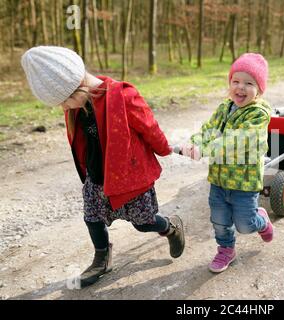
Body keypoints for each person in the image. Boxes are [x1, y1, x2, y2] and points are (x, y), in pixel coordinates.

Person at [21, 46, 185, 288]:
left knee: (144, 222)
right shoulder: (77, 106)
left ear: (79, 87)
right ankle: (101, 259)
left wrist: (164, 148)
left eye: (64, 101)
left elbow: (149, 126)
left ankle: (171, 227)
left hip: (130, 177)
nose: (64, 109)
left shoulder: (123, 96)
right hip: (96, 177)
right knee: (92, 218)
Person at [181, 53, 273, 273]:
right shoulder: (224, 108)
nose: (240, 88)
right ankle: (226, 250)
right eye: (236, 81)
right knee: (220, 221)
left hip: (244, 183)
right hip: (219, 180)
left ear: (259, 89)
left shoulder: (258, 115)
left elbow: (237, 142)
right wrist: (195, 143)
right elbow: (208, 130)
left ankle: (260, 219)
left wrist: (206, 150)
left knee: (245, 225)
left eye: (249, 83)